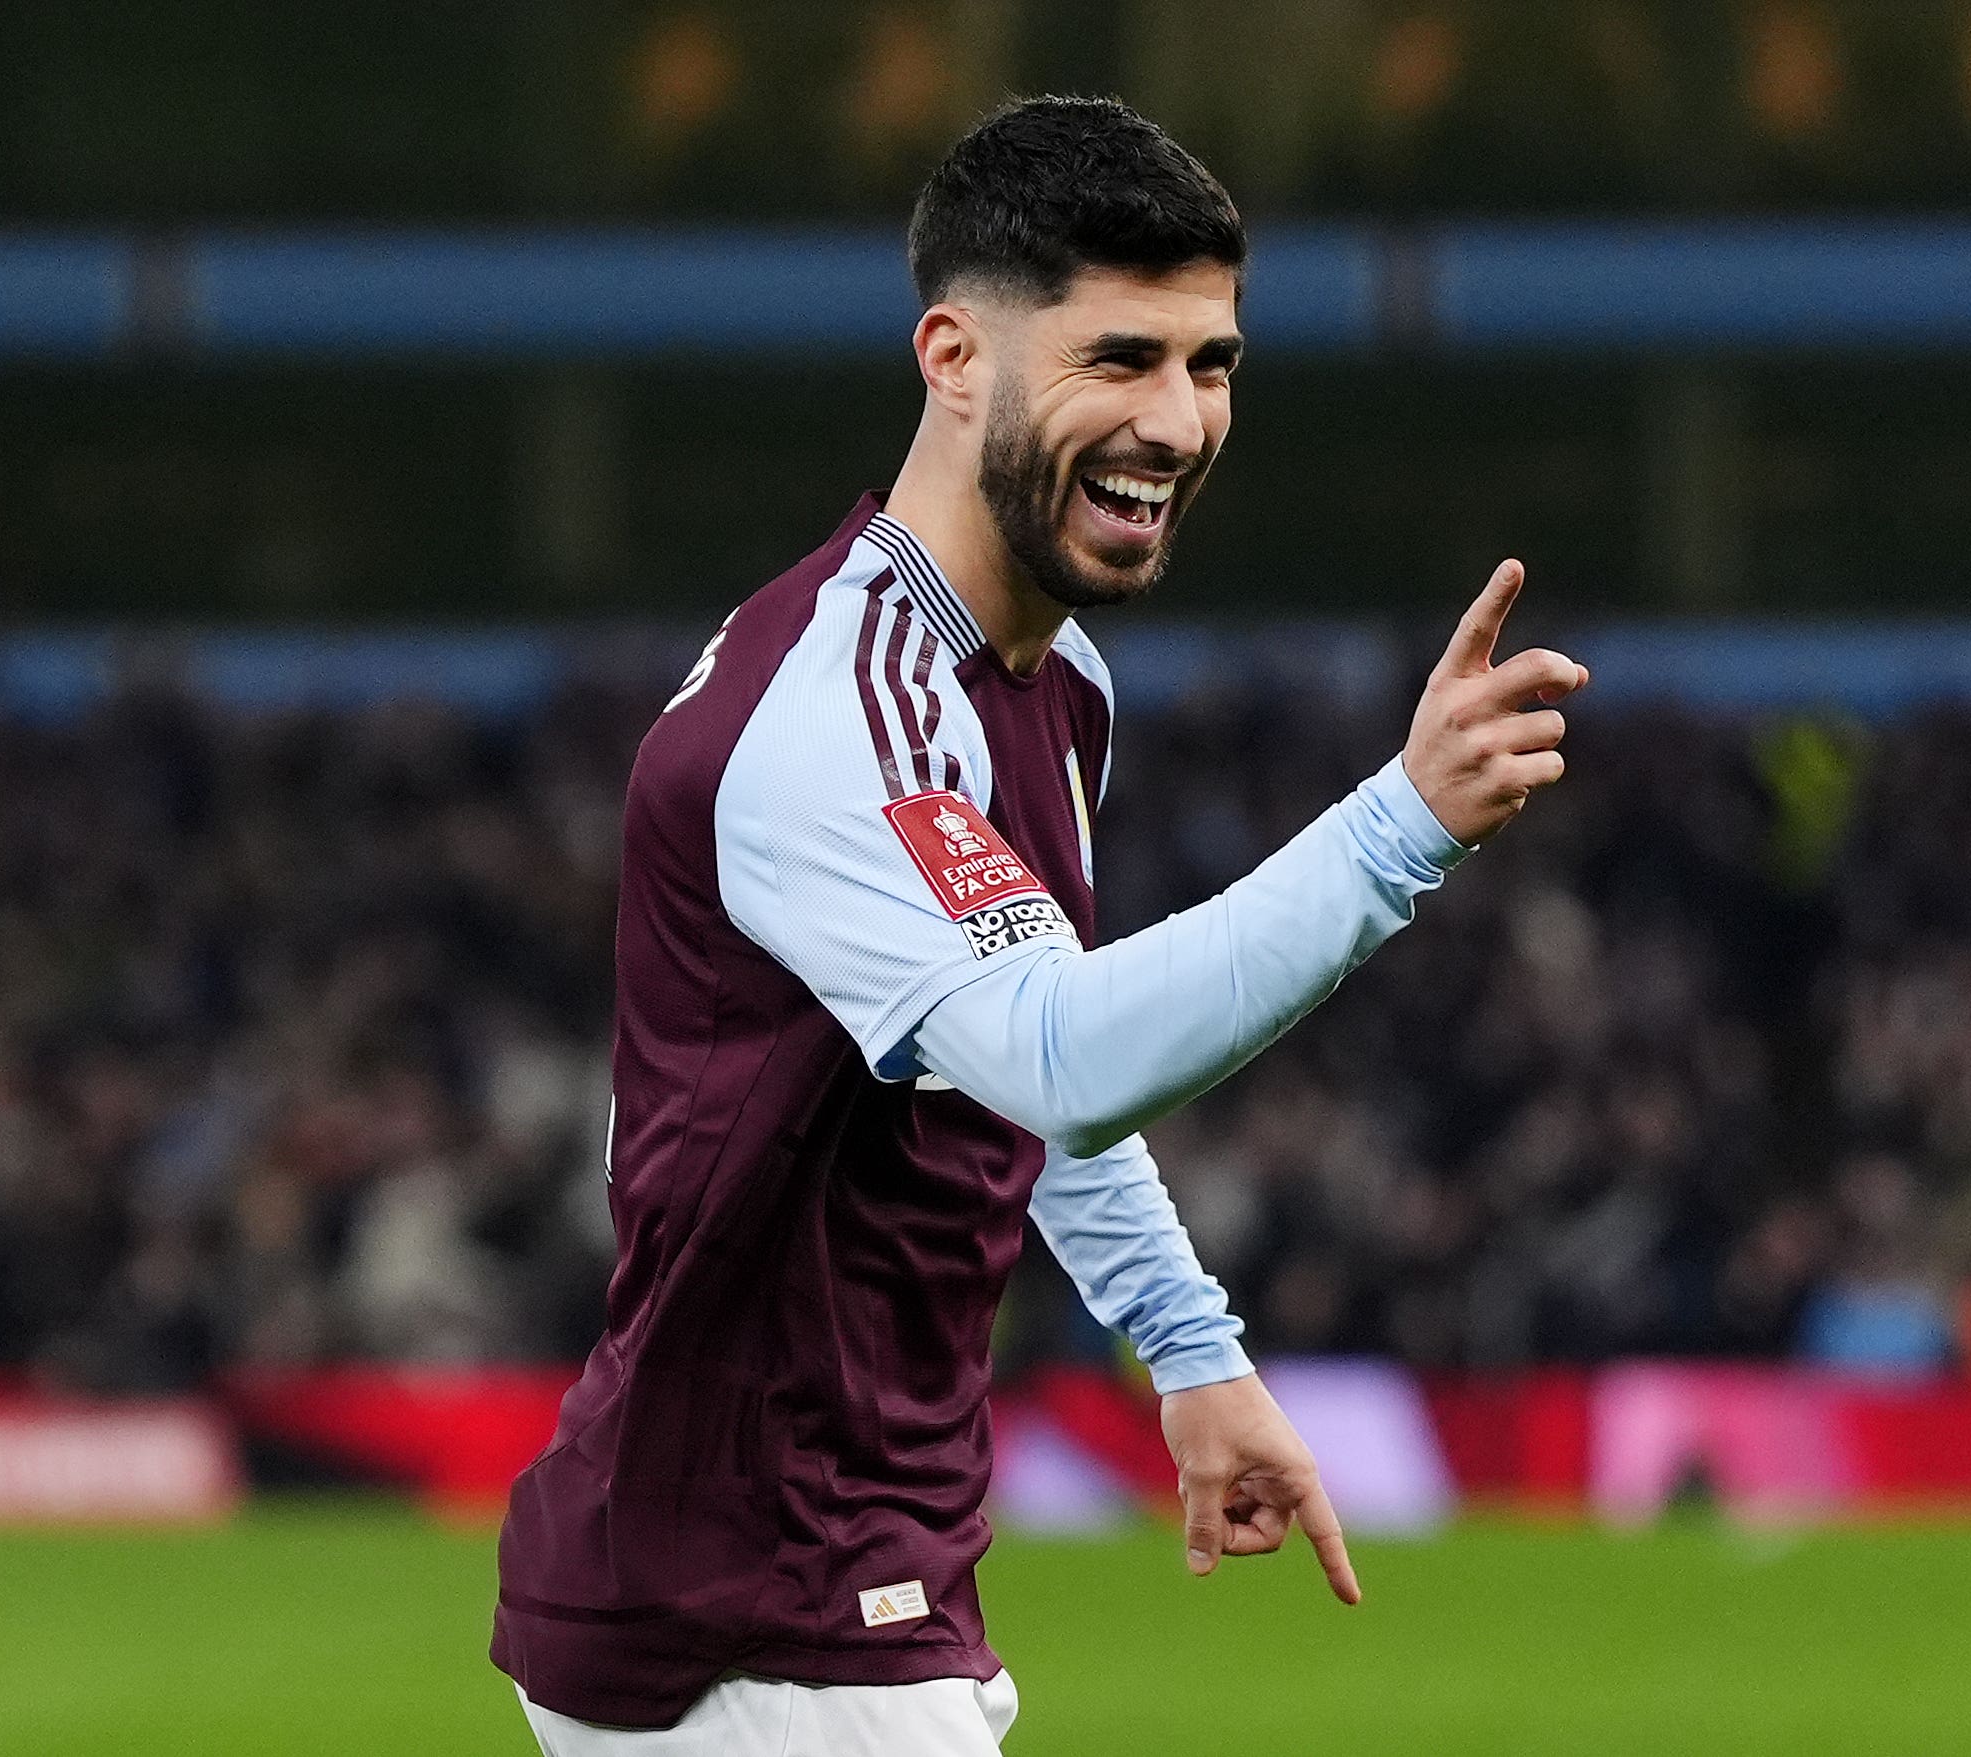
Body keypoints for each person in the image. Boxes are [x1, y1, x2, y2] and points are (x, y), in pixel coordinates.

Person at [491, 94, 1585, 1755]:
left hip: (838, 1571)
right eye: (1119, 357)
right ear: (953, 357)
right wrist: (1399, 827)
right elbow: (1059, 1057)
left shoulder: (1045, 683)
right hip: (757, 1611)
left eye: (1211, 364)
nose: (1180, 418)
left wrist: (1189, 1346)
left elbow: (1014, 1055)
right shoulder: (841, 718)